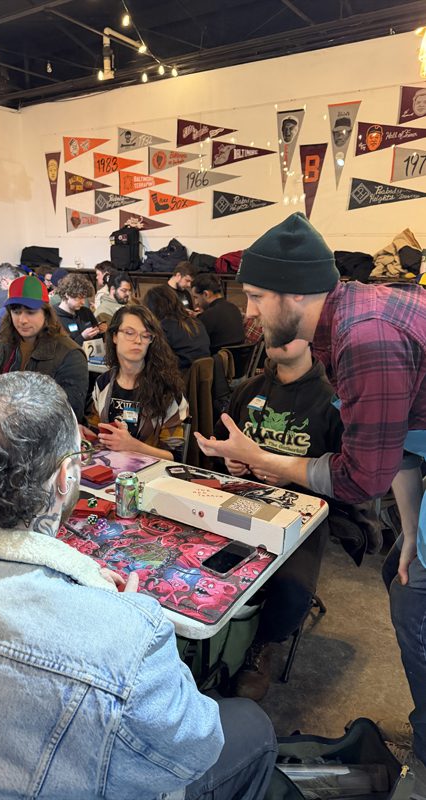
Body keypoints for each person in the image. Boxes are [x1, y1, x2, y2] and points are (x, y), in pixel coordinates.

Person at [195, 211, 426, 793]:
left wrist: (261, 456)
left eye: (252, 296)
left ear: (294, 293)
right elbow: (398, 446)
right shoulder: (347, 321)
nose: (245, 313)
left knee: (416, 612)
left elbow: (361, 478)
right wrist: (414, 533)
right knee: (410, 594)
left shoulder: (365, 335)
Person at [0, 371, 277, 800]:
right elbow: (197, 747)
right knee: (252, 725)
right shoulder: (128, 635)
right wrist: (129, 617)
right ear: (66, 477)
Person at [214, 338, 342, 700]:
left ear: (309, 337)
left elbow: (345, 475)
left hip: (302, 512)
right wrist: (231, 461)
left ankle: (261, 646)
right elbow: (228, 445)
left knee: (292, 590)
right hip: (242, 499)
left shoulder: (332, 399)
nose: (278, 340)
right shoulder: (249, 390)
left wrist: (293, 474)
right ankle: (215, 639)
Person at [0, 274, 88, 421]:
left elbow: (69, 414)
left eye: (30, 312)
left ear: (46, 313)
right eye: (16, 312)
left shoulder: (71, 355)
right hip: (0, 433)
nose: (22, 320)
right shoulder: (3, 345)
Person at [89, 304, 189, 461]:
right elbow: (97, 432)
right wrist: (85, 434)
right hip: (110, 470)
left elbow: (175, 456)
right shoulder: (103, 383)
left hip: (151, 476)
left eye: (146, 335)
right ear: (114, 336)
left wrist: (132, 445)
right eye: (129, 333)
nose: (138, 341)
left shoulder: (167, 390)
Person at [144, 284, 210, 370]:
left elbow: (155, 358)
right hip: (204, 376)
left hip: (180, 377)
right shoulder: (196, 322)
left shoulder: (164, 327)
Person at [192, 273, 245, 353]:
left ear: (206, 294)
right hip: (238, 360)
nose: (196, 303)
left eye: (196, 297)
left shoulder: (208, 315)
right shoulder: (234, 308)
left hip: (218, 362)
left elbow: (194, 343)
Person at [55, 273, 103, 345]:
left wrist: (100, 331)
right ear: (67, 295)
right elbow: (60, 348)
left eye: (84, 298)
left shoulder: (86, 312)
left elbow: (98, 339)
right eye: (79, 298)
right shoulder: (53, 317)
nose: (83, 302)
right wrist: (82, 337)